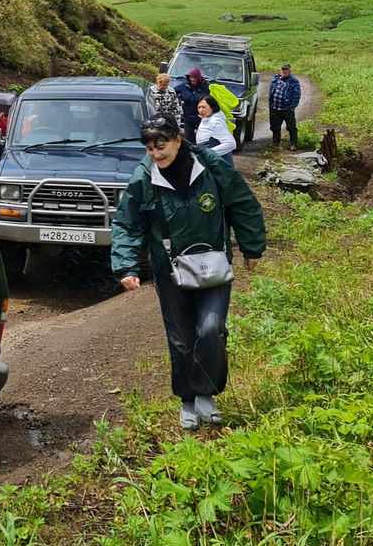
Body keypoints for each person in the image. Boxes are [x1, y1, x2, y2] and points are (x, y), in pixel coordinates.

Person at [111, 113, 265, 431]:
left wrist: (251, 247)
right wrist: (126, 265)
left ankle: (206, 393)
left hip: (214, 266)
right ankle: (187, 399)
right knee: (181, 338)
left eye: (161, 145)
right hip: (170, 271)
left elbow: (242, 202)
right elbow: (127, 223)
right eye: (150, 148)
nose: (156, 153)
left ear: (178, 140)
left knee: (210, 329)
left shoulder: (209, 166)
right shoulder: (143, 177)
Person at [172, 67, 211, 143]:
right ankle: (190, 153)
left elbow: (213, 97)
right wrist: (179, 100)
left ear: (199, 78)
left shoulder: (206, 86)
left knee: (203, 138)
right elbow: (172, 92)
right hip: (188, 116)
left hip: (202, 116)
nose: (192, 79)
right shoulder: (184, 86)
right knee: (188, 138)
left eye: (195, 78)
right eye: (191, 77)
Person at [268, 62, 301, 150]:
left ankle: (293, 144)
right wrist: (270, 104)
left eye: (286, 70)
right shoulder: (276, 78)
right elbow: (271, 91)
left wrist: (292, 107)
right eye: (283, 69)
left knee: (291, 127)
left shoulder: (294, 81)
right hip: (275, 108)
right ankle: (275, 142)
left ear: (290, 71)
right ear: (280, 70)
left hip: (287, 109)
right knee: (274, 126)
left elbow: (296, 95)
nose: (284, 71)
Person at [194, 95, 235, 164]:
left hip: (217, 164)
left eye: (203, 107)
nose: (200, 110)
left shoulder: (215, 122)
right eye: (199, 107)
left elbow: (230, 143)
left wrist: (208, 153)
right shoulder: (207, 118)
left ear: (212, 107)